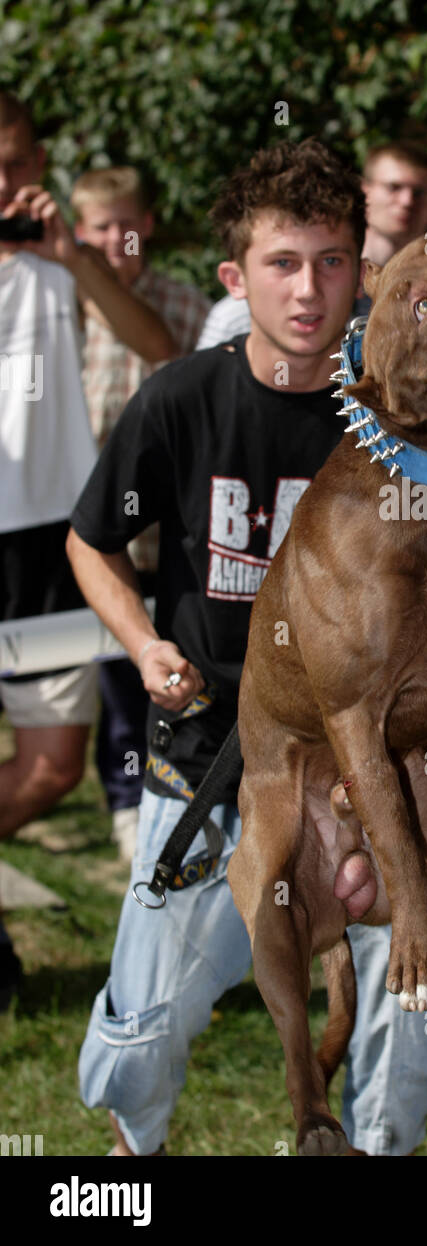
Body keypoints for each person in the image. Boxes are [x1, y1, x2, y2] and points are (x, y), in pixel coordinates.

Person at [66, 138, 427, 1155]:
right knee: (144, 1027)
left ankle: (379, 1145)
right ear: (236, 276)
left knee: (412, 1012)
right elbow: (91, 539)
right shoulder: (181, 398)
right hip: (204, 757)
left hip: (364, 761)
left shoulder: (396, 416)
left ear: (360, 268)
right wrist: (146, 645)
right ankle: (129, 1157)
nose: (309, 288)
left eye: (333, 260)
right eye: (283, 262)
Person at [0, 92, 175, 1008]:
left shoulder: (57, 261)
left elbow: (158, 344)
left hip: (46, 540)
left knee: (54, 766)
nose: (9, 181)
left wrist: (71, 254)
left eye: (22, 161)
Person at [73, 166, 210, 862]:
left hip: (165, 530)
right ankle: (124, 797)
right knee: (108, 672)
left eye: (123, 225)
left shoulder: (183, 307)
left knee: (156, 660)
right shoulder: (60, 309)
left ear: (148, 226)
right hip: (89, 527)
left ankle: (164, 794)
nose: (110, 240)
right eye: (94, 228)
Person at [194, 141, 427, 349]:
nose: (407, 201)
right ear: (365, 191)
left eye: (419, 193)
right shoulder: (241, 313)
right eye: (394, 187)